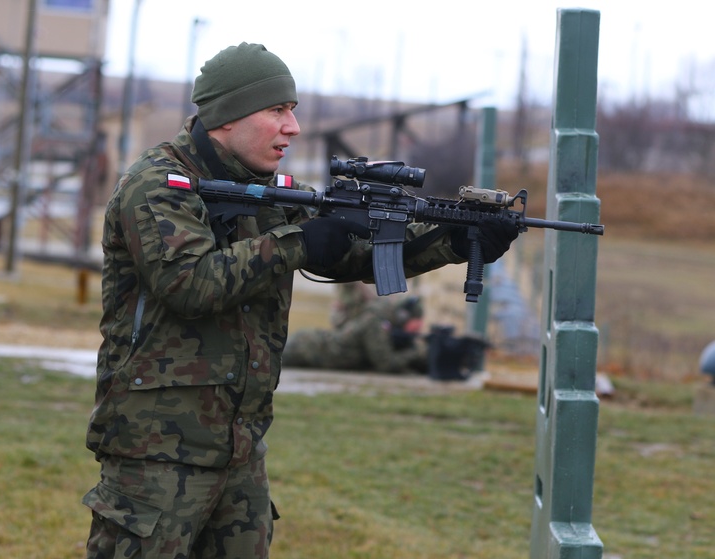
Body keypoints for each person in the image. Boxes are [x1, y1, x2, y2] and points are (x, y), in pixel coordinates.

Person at [82, 42, 517, 558]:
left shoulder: (271, 190)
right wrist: (299, 242)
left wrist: (454, 238)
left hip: (238, 449)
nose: (293, 127)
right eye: (277, 111)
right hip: (154, 453)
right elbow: (189, 282)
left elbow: (354, 254)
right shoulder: (158, 184)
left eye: (292, 111)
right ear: (227, 117)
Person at [283, 283, 429, 374]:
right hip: (307, 347)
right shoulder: (375, 322)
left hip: (311, 345)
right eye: (415, 323)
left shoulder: (380, 319)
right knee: (266, 363)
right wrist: (416, 353)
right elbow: (386, 363)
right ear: (403, 316)